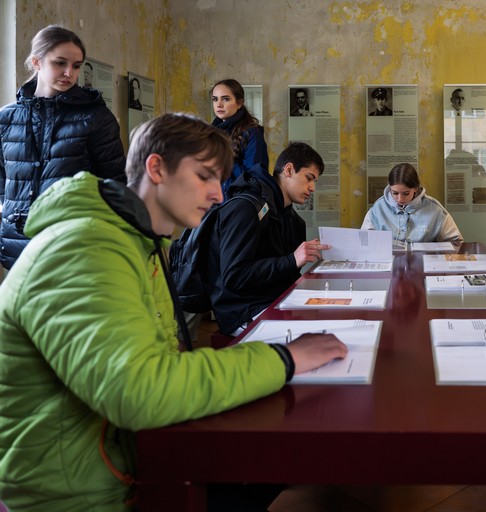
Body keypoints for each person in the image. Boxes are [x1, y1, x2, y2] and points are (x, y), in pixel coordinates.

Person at [0, 113, 347, 511]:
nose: (218, 195)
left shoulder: (139, 242)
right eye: (204, 177)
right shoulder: (84, 248)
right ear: (156, 168)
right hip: (83, 490)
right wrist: (285, 358)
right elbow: (138, 393)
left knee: (276, 460)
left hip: (133, 453)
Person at [0, 25, 125, 270]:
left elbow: (115, 184)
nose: (69, 72)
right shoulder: (6, 119)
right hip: (16, 249)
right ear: (36, 62)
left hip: (74, 248)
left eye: (76, 66)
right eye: (60, 63)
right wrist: (9, 212)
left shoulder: (96, 118)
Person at [203, 142, 330, 336]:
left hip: (277, 300)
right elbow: (234, 276)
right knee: (317, 336)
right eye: (309, 178)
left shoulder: (294, 221)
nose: (312, 188)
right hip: (244, 310)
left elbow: (286, 275)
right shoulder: (246, 208)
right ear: (289, 170)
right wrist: (292, 260)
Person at [361, 163, 463, 243]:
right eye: (395, 193)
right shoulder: (378, 208)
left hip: (422, 262)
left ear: (415, 188)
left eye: (406, 193)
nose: (400, 199)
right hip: (388, 261)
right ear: (389, 188)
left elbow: (456, 242)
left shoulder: (435, 210)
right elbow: (364, 240)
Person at [211, 78, 269, 199]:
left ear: (239, 103)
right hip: (215, 204)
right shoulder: (212, 133)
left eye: (225, 99)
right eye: (215, 99)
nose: (219, 104)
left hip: (239, 204)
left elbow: (254, 180)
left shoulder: (252, 134)